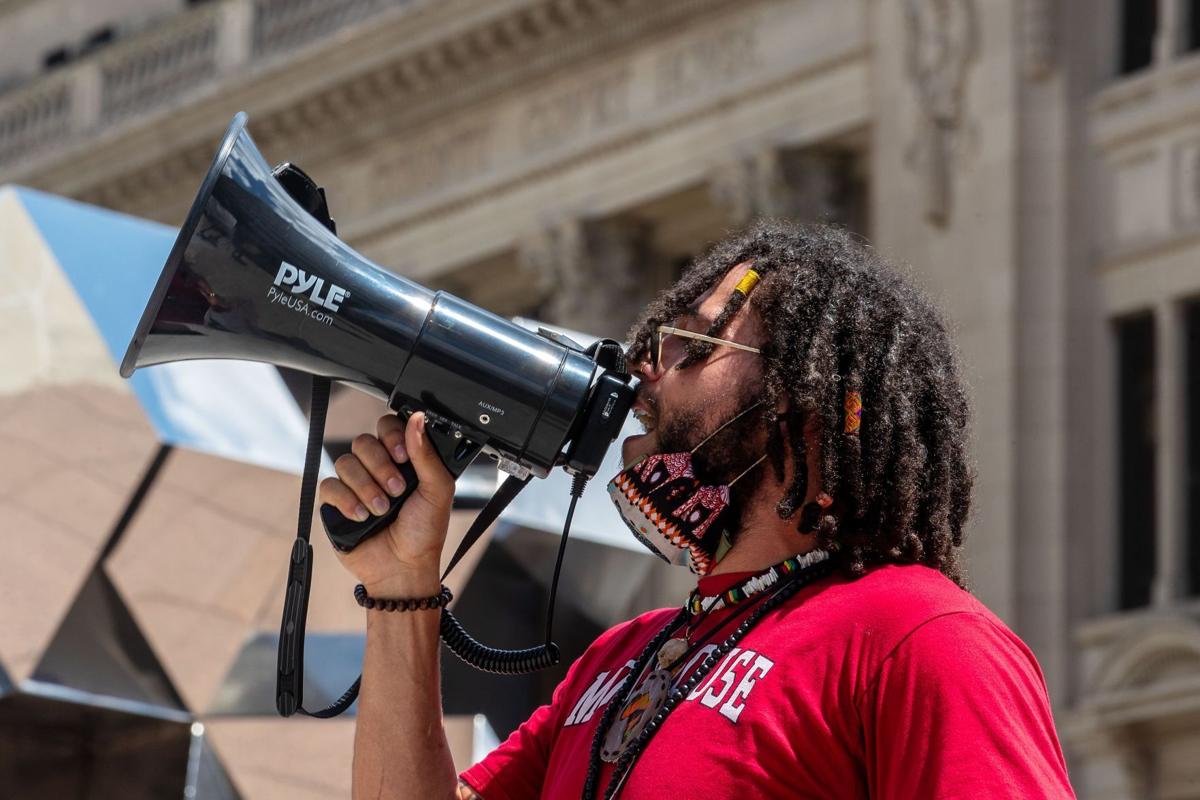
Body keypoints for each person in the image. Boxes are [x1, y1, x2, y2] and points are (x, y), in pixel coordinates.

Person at [319, 220, 1076, 799]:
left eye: (697, 346)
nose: (647, 368)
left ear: (804, 405)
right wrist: (400, 588)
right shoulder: (618, 661)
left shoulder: (920, 638)